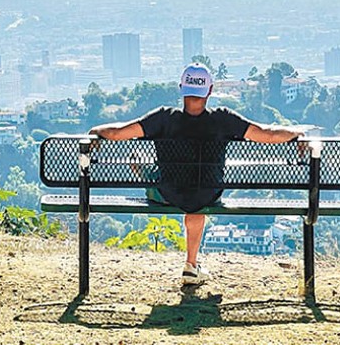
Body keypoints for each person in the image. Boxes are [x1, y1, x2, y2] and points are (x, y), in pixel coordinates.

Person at [89, 62, 303, 286]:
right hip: (207, 194)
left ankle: (144, 170)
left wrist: (96, 131)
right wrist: (297, 133)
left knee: (156, 175)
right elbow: (267, 135)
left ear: (181, 87)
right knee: (196, 196)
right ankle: (191, 264)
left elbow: (117, 132)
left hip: (168, 192)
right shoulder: (223, 119)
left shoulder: (163, 118)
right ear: (209, 91)